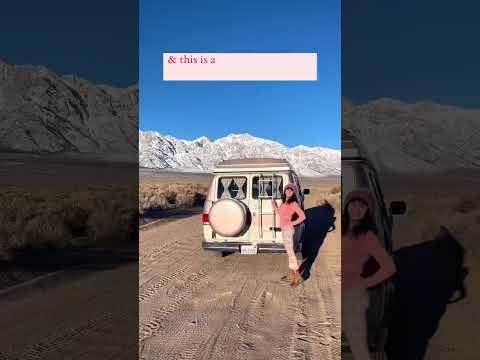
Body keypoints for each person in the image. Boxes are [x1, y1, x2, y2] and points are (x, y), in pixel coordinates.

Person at [342, 189, 396, 360]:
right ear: (346, 206)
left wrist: (365, 283)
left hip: (353, 296)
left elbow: (389, 267)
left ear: (367, 211)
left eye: (362, 206)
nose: (356, 209)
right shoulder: (339, 230)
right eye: (353, 204)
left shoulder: (368, 236)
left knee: (358, 345)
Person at [271, 183, 306, 286]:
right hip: (284, 229)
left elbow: (303, 216)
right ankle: (291, 275)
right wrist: (274, 205)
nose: (289, 191)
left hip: (288, 230)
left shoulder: (293, 203)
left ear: (293, 192)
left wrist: (292, 223)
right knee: (289, 252)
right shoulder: (284, 202)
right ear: (284, 191)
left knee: (291, 252)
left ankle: (298, 276)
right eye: (287, 189)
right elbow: (280, 213)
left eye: (291, 190)